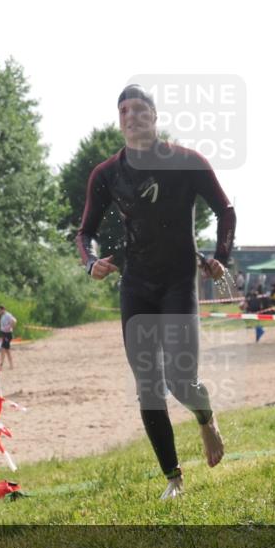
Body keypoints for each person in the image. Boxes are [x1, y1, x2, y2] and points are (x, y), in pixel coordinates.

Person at [75, 84, 236, 500]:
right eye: (123, 110)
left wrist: (221, 255)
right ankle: (173, 478)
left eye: (139, 109)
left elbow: (225, 209)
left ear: (155, 116)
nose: (131, 116)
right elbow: (85, 233)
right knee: (148, 384)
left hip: (180, 282)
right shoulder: (107, 174)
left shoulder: (186, 162)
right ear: (119, 120)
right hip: (136, 285)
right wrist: (92, 263)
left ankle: (206, 420)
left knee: (182, 381)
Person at [0, 305, 17, 370]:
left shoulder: (8, 315)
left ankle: (1, 365)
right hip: (4, 334)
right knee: (6, 350)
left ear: (3, 310)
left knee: (4, 349)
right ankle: (10, 365)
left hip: (7, 334)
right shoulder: (2, 316)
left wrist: (9, 328)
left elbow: (14, 321)